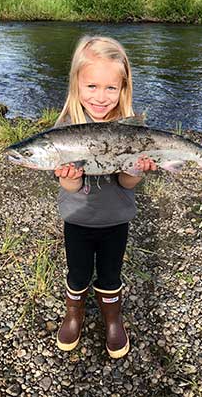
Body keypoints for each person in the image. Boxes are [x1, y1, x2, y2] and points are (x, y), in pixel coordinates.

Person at [54, 35, 156, 359]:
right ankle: (75, 314)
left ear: (123, 89)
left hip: (116, 221)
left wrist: (138, 169)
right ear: (77, 86)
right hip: (77, 221)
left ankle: (113, 318)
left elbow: (126, 183)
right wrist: (69, 178)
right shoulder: (64, 130)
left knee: (111, 272)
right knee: (78, 272)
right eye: (92, 87)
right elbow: (69, 188)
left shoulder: (131, 131)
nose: (101, 97)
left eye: (111, 88)